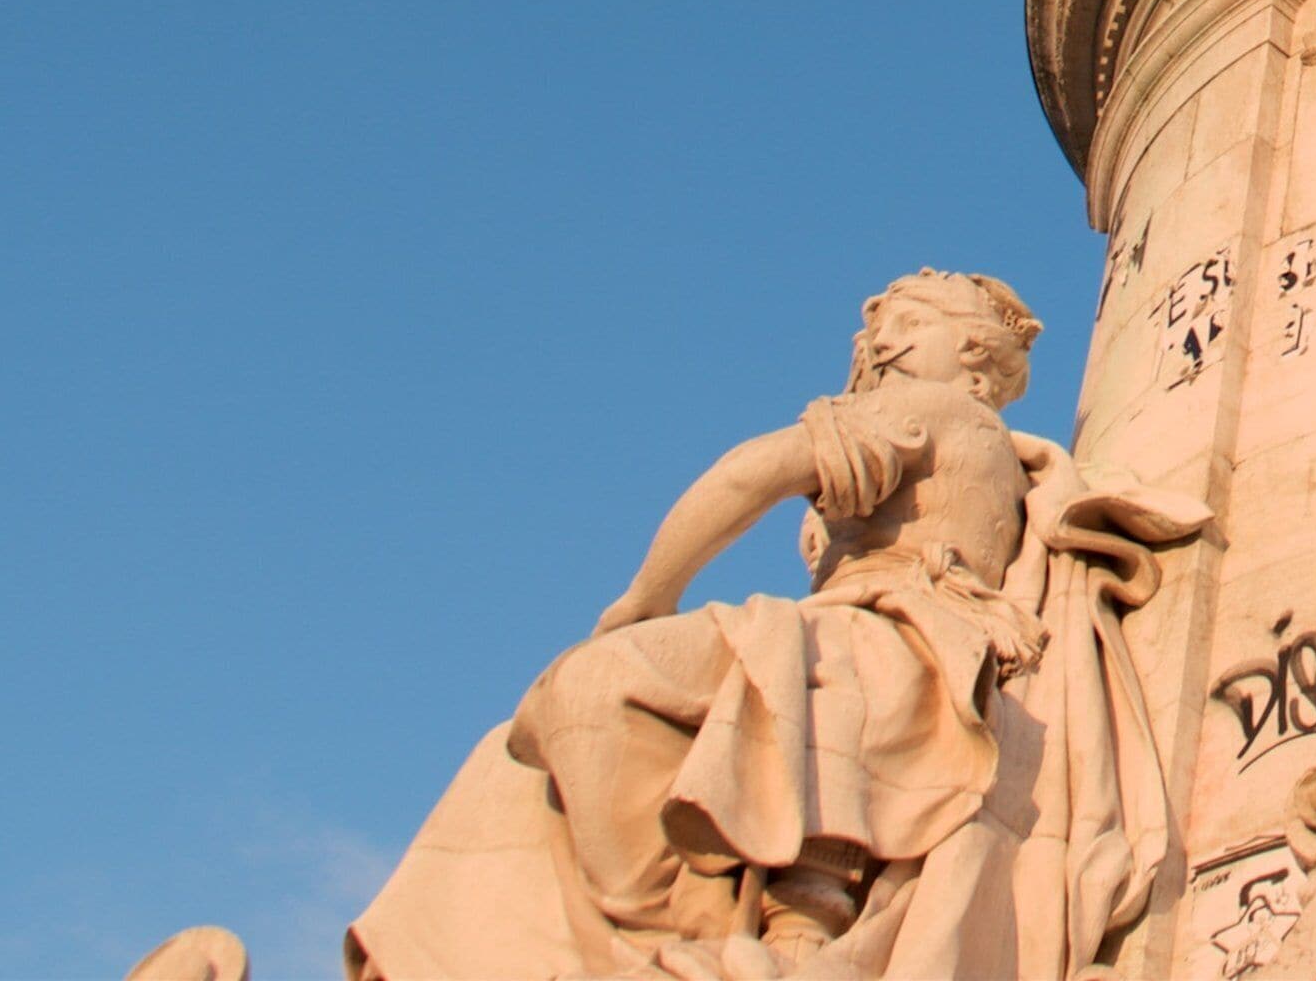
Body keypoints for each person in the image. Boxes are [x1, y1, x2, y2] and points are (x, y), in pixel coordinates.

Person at [346, 273, 1203, 981]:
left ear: (973, 360)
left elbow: (748, 475)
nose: (879, 342)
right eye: (881, 328)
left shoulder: (938, 414)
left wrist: (645, 597)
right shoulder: (949, 426)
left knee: (591, 684)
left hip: (889, 641)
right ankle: (683, 931)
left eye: (909, 324)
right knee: (567, 716)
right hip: (857, 636)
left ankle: (660, 932)